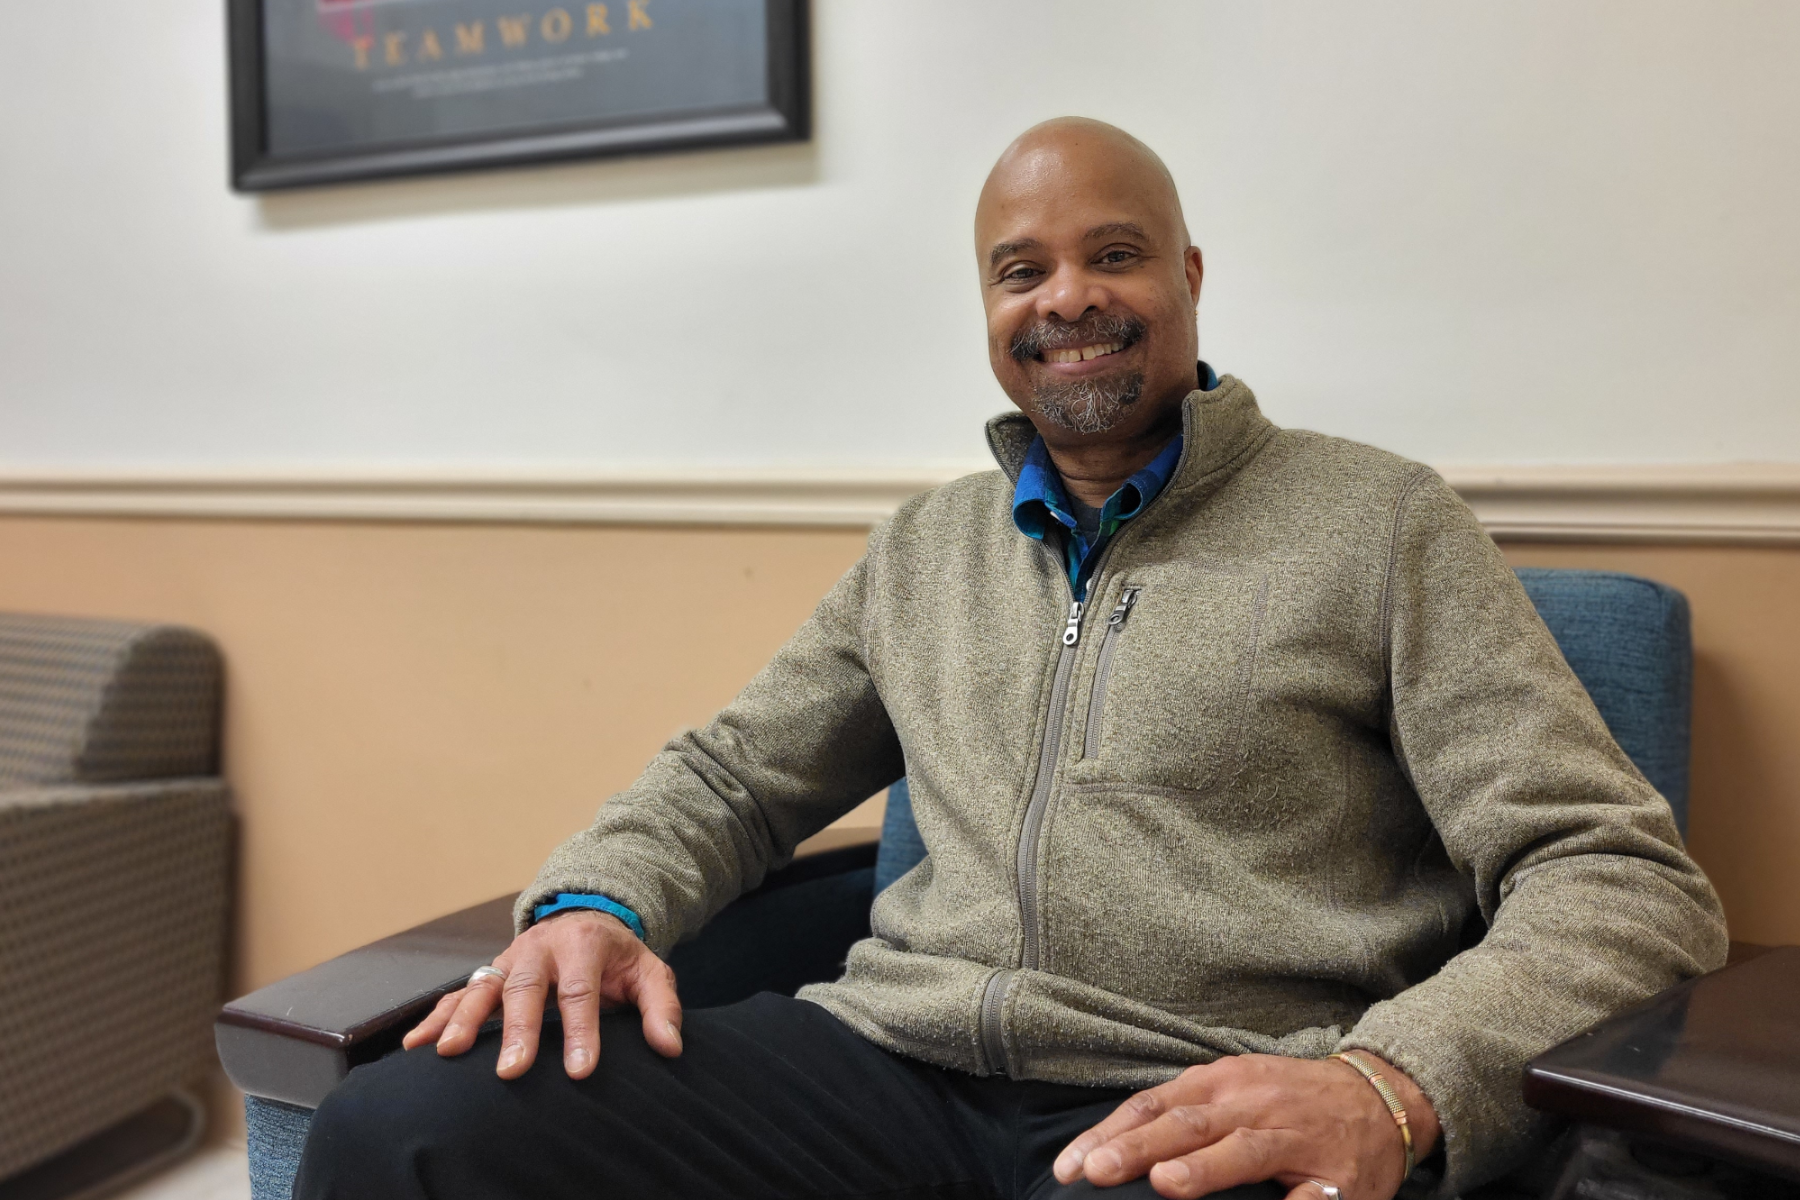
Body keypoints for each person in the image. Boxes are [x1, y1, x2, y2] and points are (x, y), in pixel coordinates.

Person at [295, 118, 1726, 1200]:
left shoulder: (1381, 522)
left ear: (1190, 275)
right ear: (988, 311)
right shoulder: (925, 549)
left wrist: (1392, 1083)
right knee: (398, 1130)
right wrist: (597, 900)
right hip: (888, 1065)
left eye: (1113, 254)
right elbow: (734, 777)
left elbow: (1618, 881)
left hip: (1189, 1095)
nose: (1068, 299)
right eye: (1021, 270)